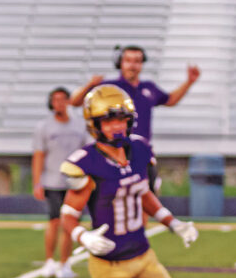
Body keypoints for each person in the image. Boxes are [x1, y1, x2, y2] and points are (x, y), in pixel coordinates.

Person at [59, 85, 198, 278]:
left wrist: (172, 222)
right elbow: (67, 214)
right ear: (95, 125)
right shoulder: (87, 162)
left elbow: (144, 193)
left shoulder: (138, 149)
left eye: (121, 119)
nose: (116, 126)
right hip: (109, 264)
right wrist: (83, 236)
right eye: (108, 121)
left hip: (143, 254)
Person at [70, 45, 200, 196]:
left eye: (137, 61)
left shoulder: (148, 87)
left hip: (141, 154)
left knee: (147, 196)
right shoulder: (109, 88)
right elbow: (75, 101)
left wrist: (189, 82)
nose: (132, 65)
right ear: (120, 63)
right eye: (128, 60)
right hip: (113, 154)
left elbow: (170, 100)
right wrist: (90, 85)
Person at [31, 87, 87, 278]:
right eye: (55, 100)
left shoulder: (79, 125)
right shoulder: (44, 127)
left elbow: (87, 153)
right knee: (54, 221)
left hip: (75, 183)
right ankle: (49, 262)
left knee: (70, 224)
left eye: (63, 99)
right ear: (51, 103)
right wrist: (37, 183)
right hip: (53, 181)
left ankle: (65, 264)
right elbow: (39, 155)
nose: (59, 103)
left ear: (69, 101)